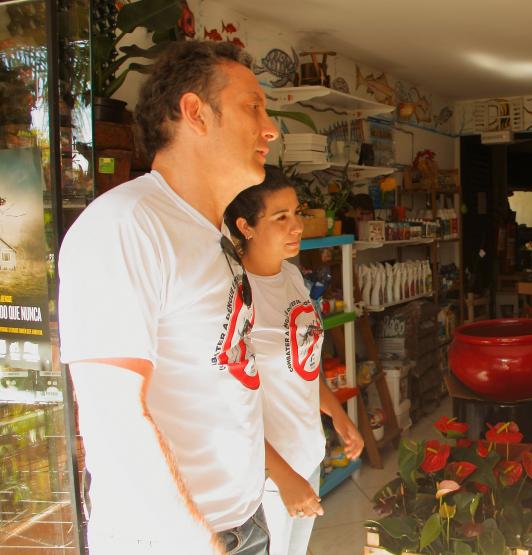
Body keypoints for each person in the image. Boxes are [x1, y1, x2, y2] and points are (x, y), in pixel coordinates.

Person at [58, 40, 278, 554]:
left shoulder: (210, 231)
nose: (270, 128)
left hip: (241, 520)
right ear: (194, 112)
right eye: (253, 106)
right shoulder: (126, 225)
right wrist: (192, 538)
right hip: (170, 536)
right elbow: (112, 412)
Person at [224, 166, 364, 555]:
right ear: (246, 227)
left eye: (297, 213)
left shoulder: (292, 277)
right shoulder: (235, 293)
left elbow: (301, 366)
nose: (297, 226)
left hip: (307, 455)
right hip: (269, 475)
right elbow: (227, 406)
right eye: (280, 217)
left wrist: (337, 415)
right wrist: (282, 476)